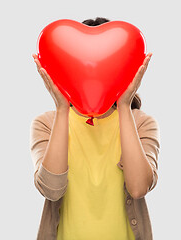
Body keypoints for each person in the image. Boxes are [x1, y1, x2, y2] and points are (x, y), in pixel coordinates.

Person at [30, 17, 161, 240]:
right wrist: (62, 108)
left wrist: (124, 105)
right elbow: (51, 190)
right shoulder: (46, 123)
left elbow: (139, 188)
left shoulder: (141, 122)